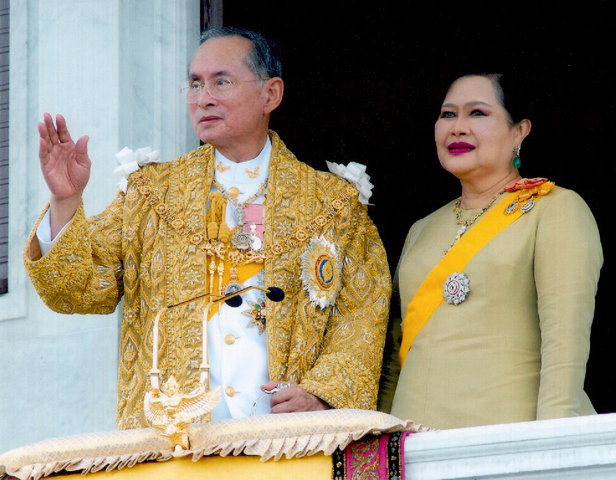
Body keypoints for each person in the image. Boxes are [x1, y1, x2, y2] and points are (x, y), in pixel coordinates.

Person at [24, 27, 391, 429]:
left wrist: (322, 395)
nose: (204, 98)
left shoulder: (332, 203)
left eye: (222, 82)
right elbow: (74, 290)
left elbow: (362, 313)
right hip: (175, 443)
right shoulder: (151, 193)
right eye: (195, 84)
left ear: (271, 94)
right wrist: (65, 200)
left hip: (288, 440)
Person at [378, 73, 603, 429]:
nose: (458, 128)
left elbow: (565, 352)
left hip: (506, 442)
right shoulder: (421, 229)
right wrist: (381, 441)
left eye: (477, 113)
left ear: (520, 131)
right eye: (448, 115)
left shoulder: (555, 209)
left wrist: (552, 446)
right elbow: (392, 359)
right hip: (415, 446)